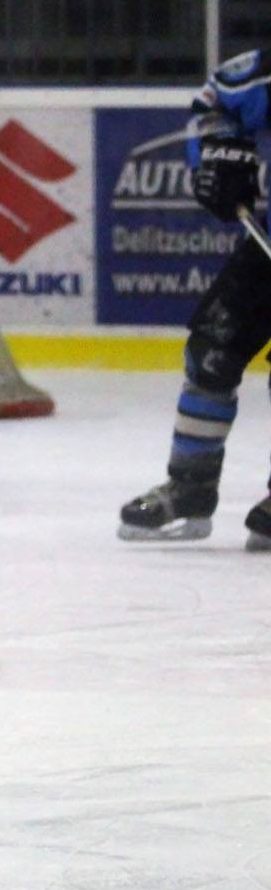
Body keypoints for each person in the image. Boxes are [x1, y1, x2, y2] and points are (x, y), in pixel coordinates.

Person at [118, 48, 271, 549]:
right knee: (211, 352)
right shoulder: (258, 74)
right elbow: (215, 105)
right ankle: (191, 486)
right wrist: (221, 153)